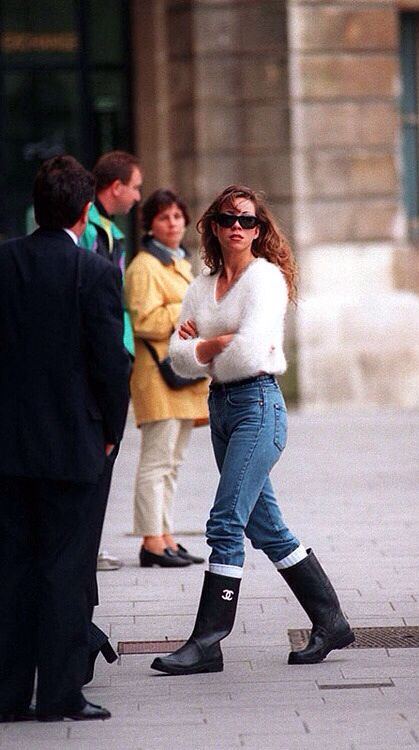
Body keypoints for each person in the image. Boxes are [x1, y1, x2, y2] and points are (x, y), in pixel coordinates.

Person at [150, 185, 355, 676]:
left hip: (258, 407)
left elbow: (249, 351)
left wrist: (204, 342)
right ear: (214, 227)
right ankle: (332, 622)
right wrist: (217, 343)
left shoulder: (266, 280)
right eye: (228, 219)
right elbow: (177, 359)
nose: (237, 228)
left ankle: (208, 641)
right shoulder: (201, 286)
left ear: (259, 230)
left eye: (247, 221)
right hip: (221, 407)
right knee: (266, 528)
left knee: (225, 521)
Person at [0, 155, 130, 720]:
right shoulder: (95, 273)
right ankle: (58, 695)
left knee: (11, 568)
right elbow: (110, 364)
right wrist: (112, 432)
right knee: (63, 570)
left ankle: (7, 696)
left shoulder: (4, 262)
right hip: (75, 443)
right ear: (85, 211)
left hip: (8, 445)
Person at [125, 189, 209, 568]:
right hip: (158, 376)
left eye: (177, 216)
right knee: (156, 462)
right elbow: (143, 321)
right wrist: (185, 313)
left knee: (172, 463)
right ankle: (150, 541)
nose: (173, 223)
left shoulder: (181, 262)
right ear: (150, 224)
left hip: (180, 375)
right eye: (164, 218)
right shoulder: (145, 266)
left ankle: (165, 536)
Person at [79, 149, 142, 573]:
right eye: (135, 187)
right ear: (115, 187)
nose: (138, 196)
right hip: (101, 356)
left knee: (108, 454)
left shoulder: (109, 230)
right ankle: (86, 546)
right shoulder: (91, 231)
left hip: (115, 351)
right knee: (99, 454)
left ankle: (90, 543)